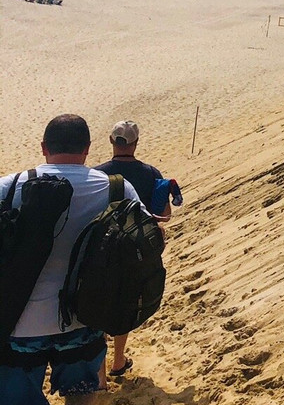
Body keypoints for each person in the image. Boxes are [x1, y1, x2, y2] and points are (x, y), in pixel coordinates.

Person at [0, 114, 144, 405]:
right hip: (85, 321)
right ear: (87, 148)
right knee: (81, 397)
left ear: (43, 147)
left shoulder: (9, 187)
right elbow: (148, 243)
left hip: (18, 325)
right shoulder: (117, 189)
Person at [93, 121, 173, 378]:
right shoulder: (152, 174)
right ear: (136, 143)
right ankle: (118, 361)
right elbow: (164, 216)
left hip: (101, 248)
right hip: (137, 251)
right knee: (124, 302)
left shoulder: (96, 174)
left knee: (96, 303)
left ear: (111, 141)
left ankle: (100, 373)